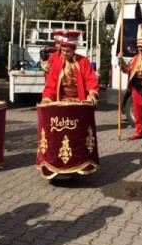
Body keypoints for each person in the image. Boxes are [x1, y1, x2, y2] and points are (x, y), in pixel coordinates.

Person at [40, 30, 100, 178]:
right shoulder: (57, 63)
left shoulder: (83, 62)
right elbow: (51, 85)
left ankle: (80, 164)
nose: (64, 53)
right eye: (63, 50)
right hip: (62, 104)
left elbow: (91, 80)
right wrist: (47, 98)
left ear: (74, 50)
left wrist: (92, 94)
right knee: (58, 135)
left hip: (78, 105)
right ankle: (59, 165)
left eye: (67, 51)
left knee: (78, 136)